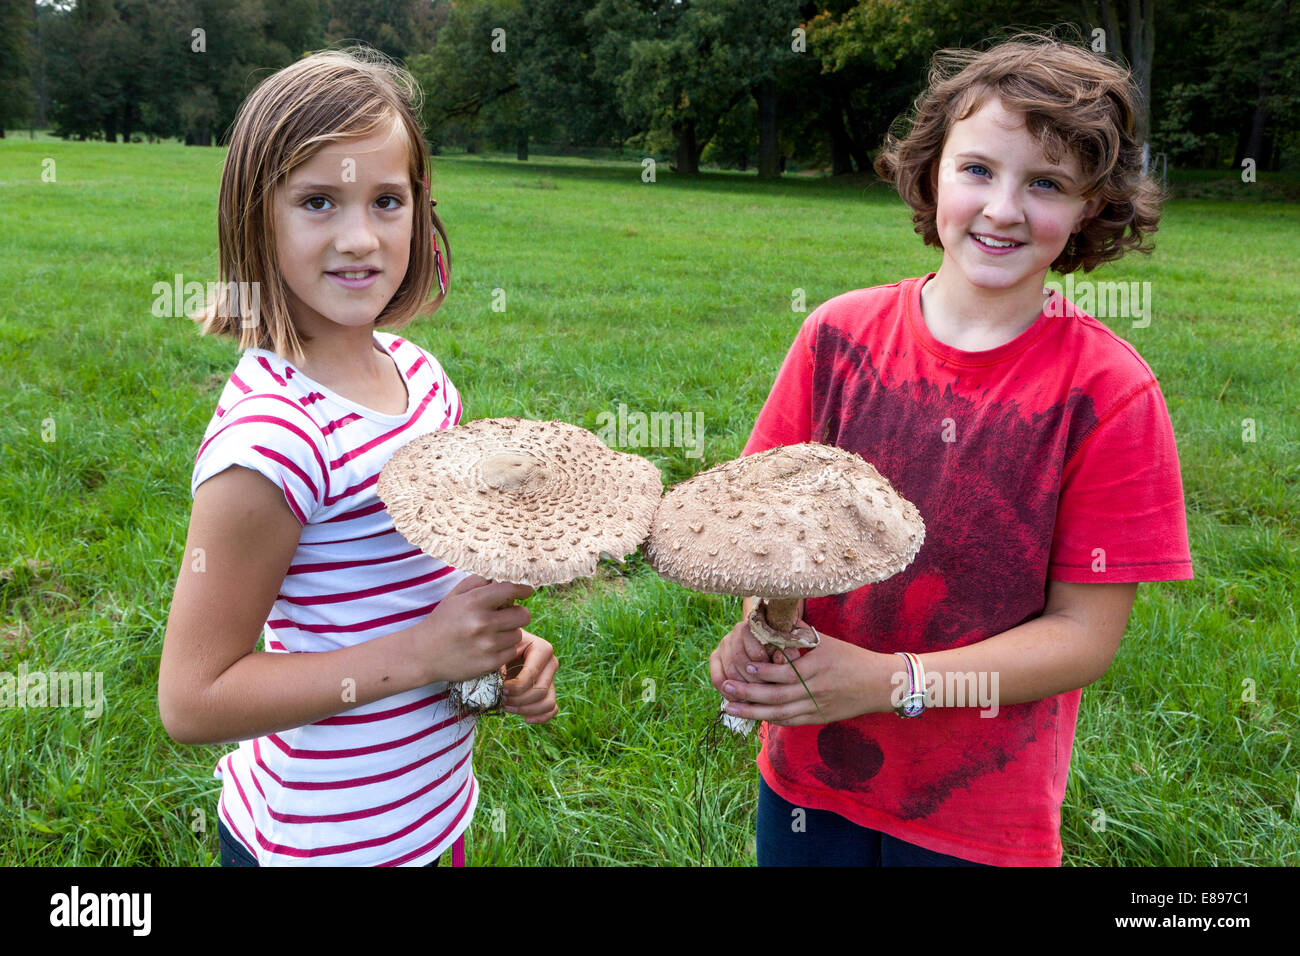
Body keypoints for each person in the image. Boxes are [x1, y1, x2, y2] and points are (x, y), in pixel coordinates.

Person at [708, 35, 1193, 867]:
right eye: (977, 170)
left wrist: (891, 683)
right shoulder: (837, 335)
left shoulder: (1109, 391)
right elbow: (757, 530)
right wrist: (753, 631)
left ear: (1090, 210)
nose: (1003, 208)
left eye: (1045, 184)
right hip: (805, 778)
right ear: (931, 171)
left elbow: (1084, 635)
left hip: (977, 808)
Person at [157, 47, 557, 867]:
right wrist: (425, 653)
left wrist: (500, 659)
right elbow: (192, 700)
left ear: (422, 207)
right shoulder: (270, 442)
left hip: (428, 813)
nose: (359, 238)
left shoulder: (422, 378)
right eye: (316, 202)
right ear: (253, 221)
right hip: (320, 842)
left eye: (385, 199)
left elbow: (434, 589)